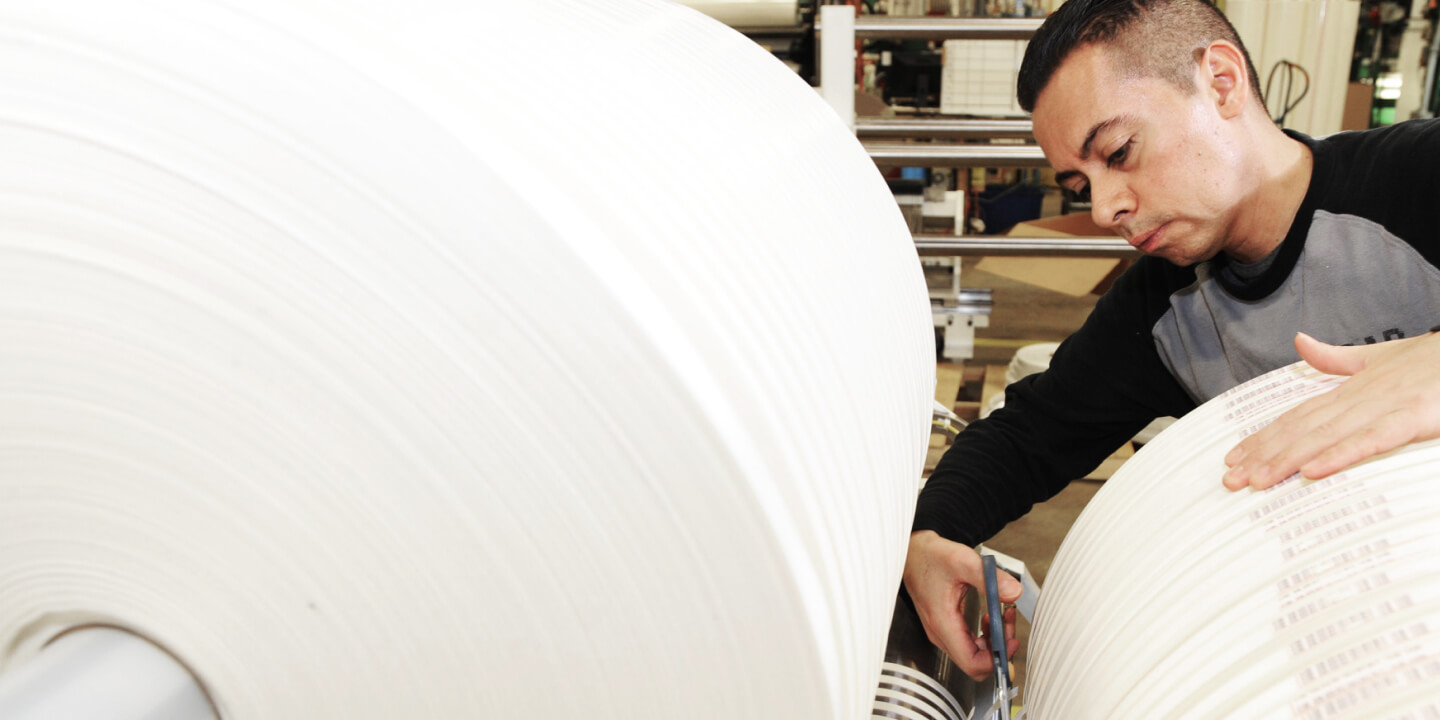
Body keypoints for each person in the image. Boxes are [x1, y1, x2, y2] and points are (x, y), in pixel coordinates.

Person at [904, 0, 1440, 681]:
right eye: (1081, 184)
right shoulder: (1169, 308)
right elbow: (1031, 433)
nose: (1105, 209)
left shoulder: (1417, 180)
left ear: (1221, 82)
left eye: (1119, 152)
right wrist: (929, 534)